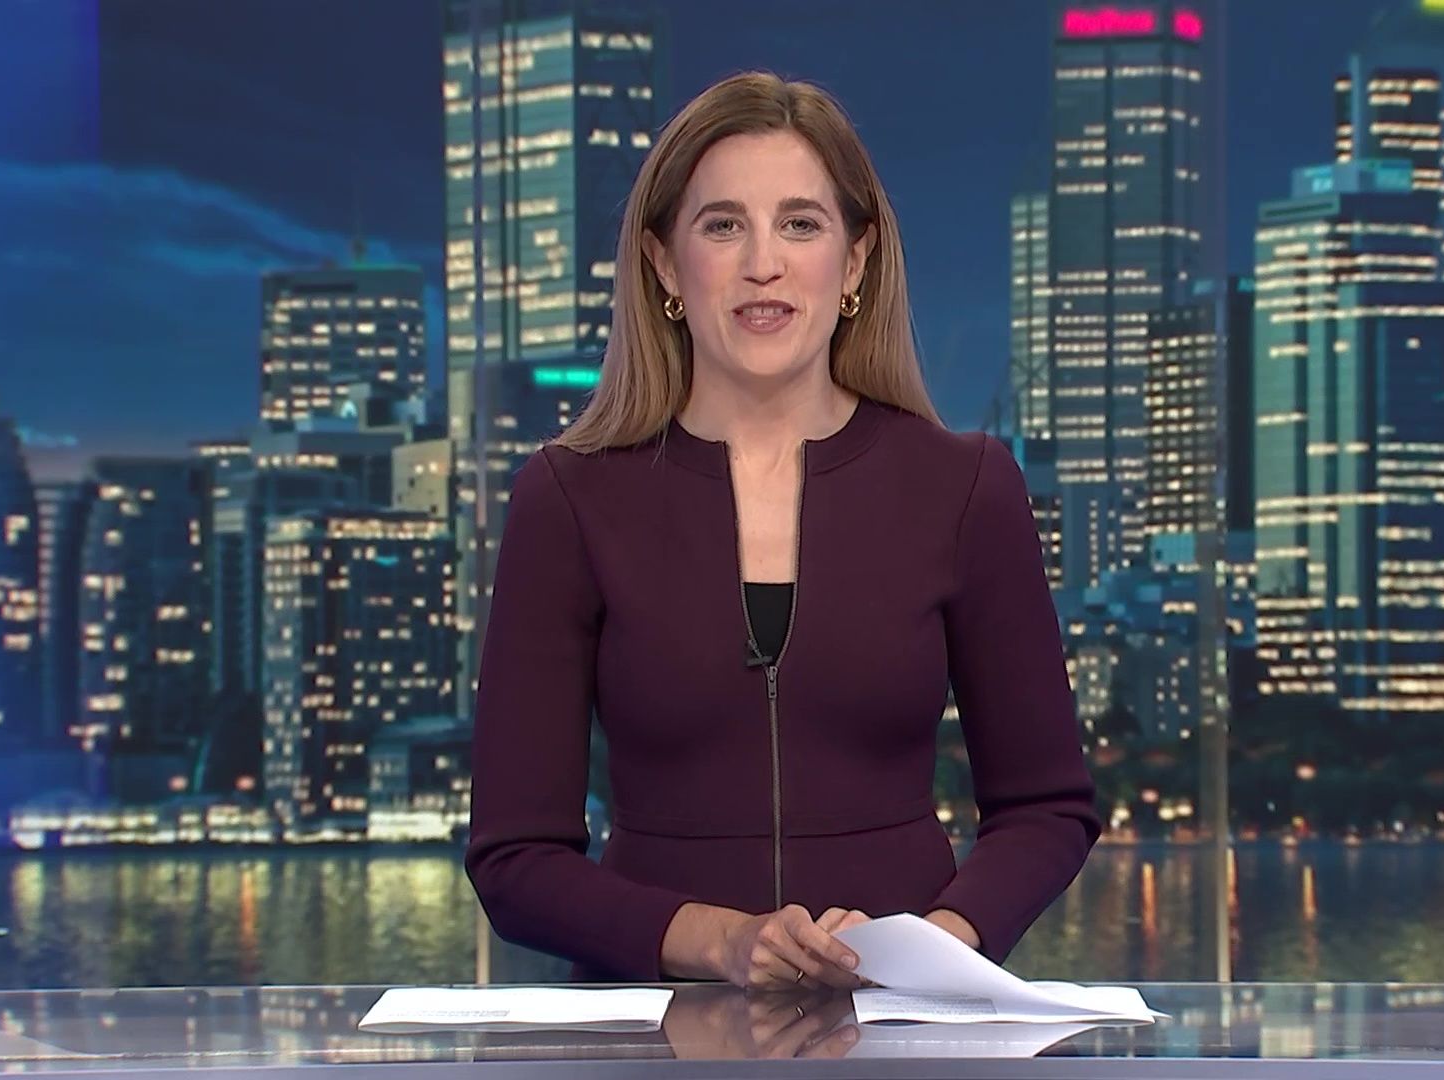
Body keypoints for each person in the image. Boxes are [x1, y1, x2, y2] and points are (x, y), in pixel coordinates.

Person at [464, 71, 1100, 990]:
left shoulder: (966, 487)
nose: (763, 262)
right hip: (653, 1027)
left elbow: (1047, 809)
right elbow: (515, 858)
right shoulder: (567, 496)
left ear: (856, 261)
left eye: (800, 224)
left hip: (898, 1022)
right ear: (664, 265)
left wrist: (931, 948)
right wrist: (719, 941)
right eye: (723, 226)